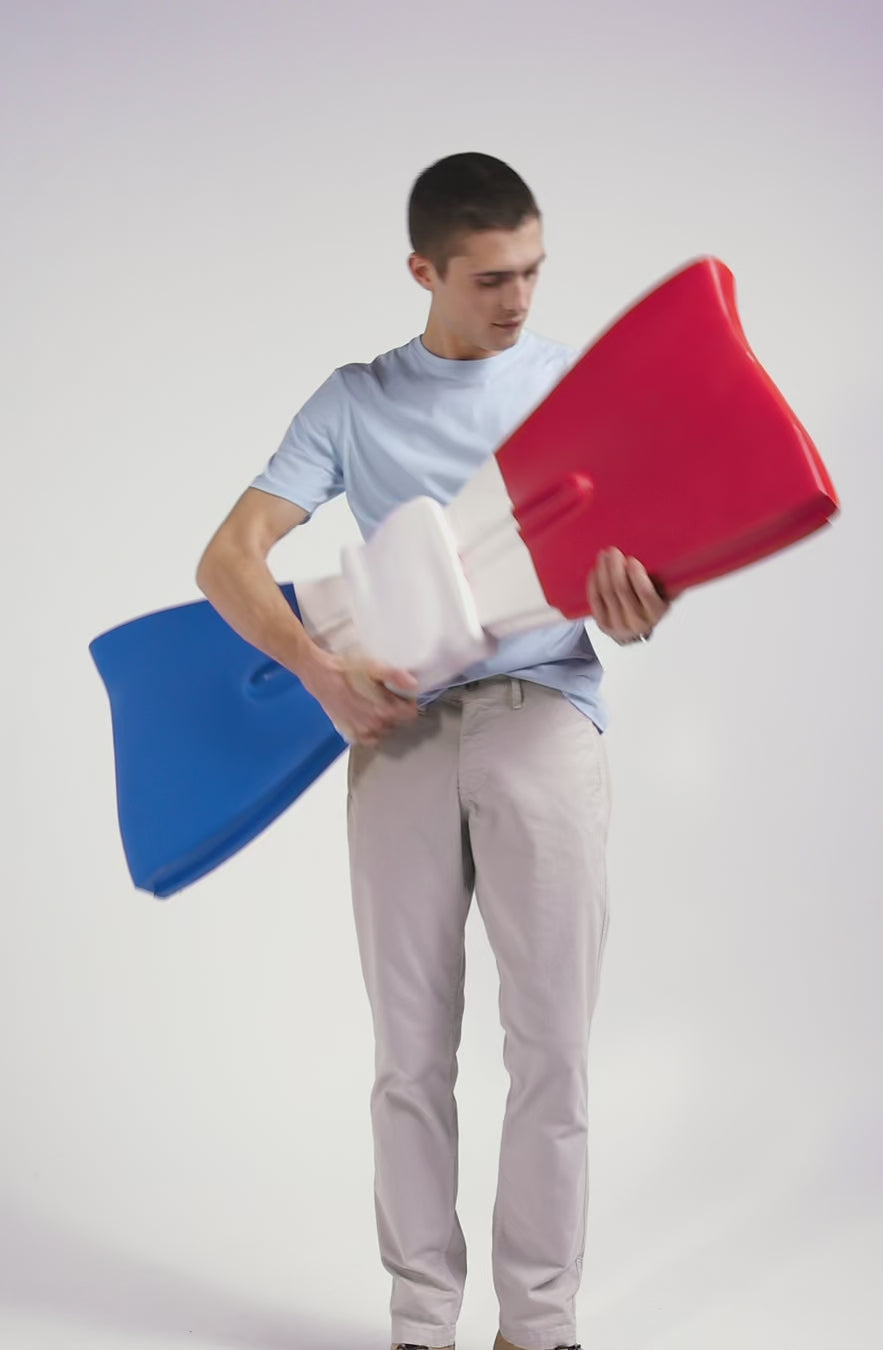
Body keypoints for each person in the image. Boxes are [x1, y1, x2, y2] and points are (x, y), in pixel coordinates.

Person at [196, 152, 671, 1350]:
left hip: (544, 717)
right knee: (409, 1056)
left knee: (552, 1048)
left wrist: (641, 603)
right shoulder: (355, 401)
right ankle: (421, 1324)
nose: (519, 299)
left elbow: (641, 571)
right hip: (399, 737)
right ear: (423, 271)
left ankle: (539, 1327)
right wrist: (319, 673)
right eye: (490, 279)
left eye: (533, 272)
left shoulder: (571, 385)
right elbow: (227, 559)